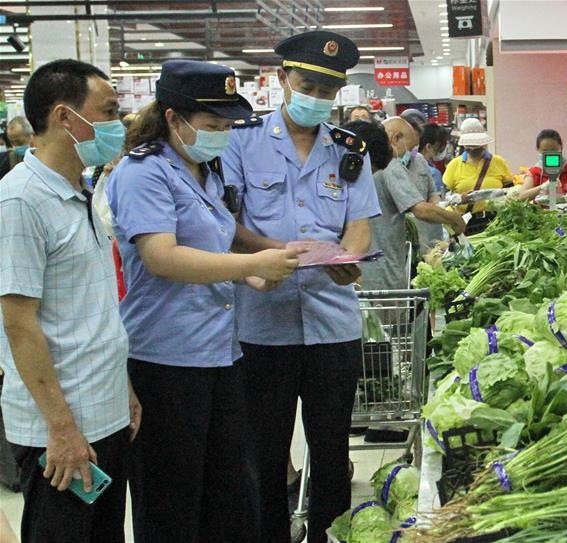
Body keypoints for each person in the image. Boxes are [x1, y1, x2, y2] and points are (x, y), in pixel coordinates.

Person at [107, 60, 301, 543]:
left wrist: (264, 257)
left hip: (219, 352)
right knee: (173, 503)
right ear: (174, 118)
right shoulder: (143, 173)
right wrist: (251, 267)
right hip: (165, 361)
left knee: (228, 496)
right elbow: (162, 257)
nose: (223, 135)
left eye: (228, 126)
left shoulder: (203, 170)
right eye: (213, 126)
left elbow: (218, 235)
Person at [221, 31, 382, 543]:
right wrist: (274, 253)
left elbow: (360, 223)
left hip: (333, 323)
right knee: (264, 450)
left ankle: (327, 535)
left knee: (332, 447)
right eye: (307, 83)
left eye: (327, 90)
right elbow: (226, 221)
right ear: (283, 80)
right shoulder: (240, 141)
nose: (316, 96)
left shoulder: (348, 150)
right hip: (262, 323)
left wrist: (349, 257)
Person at [0, 58, 139, 543]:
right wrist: (60, 430)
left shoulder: (78, 191)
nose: (117, 124)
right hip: (61, 431)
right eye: (108, 111)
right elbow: (19, 324)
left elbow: (91, 307)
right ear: (65, 117)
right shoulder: (21, 201)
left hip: (104, 414)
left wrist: (123, 386)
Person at [358, 119, 464, 290]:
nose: (413, 152)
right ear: (395, 138)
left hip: (361, 266)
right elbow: (421, 210)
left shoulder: (361, 163)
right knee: (387, 314)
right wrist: (454, 219)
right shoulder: (390, 165)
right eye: (412, 146)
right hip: (382, 268)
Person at [443, 118, 513, 234]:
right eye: (470, 144)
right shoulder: (454, 165)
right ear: (464, 144)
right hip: (466, 223)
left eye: (476, 144)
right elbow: (445, 199)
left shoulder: (498, 162)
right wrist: (460, 198)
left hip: (497, 221)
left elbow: (511, 192)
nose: (473, 148)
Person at [518, 129, 567, 203]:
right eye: (545, 151)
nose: (550, 154)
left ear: (561, 147)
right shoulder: (535, 172)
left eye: (553, 149)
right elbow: (521, 197)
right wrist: (541, 188)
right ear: (538, 150)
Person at [420, 123, 450, 195]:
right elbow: (439, 202)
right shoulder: (433, 173)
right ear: (428, 147)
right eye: (440, 149)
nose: (441, 152)